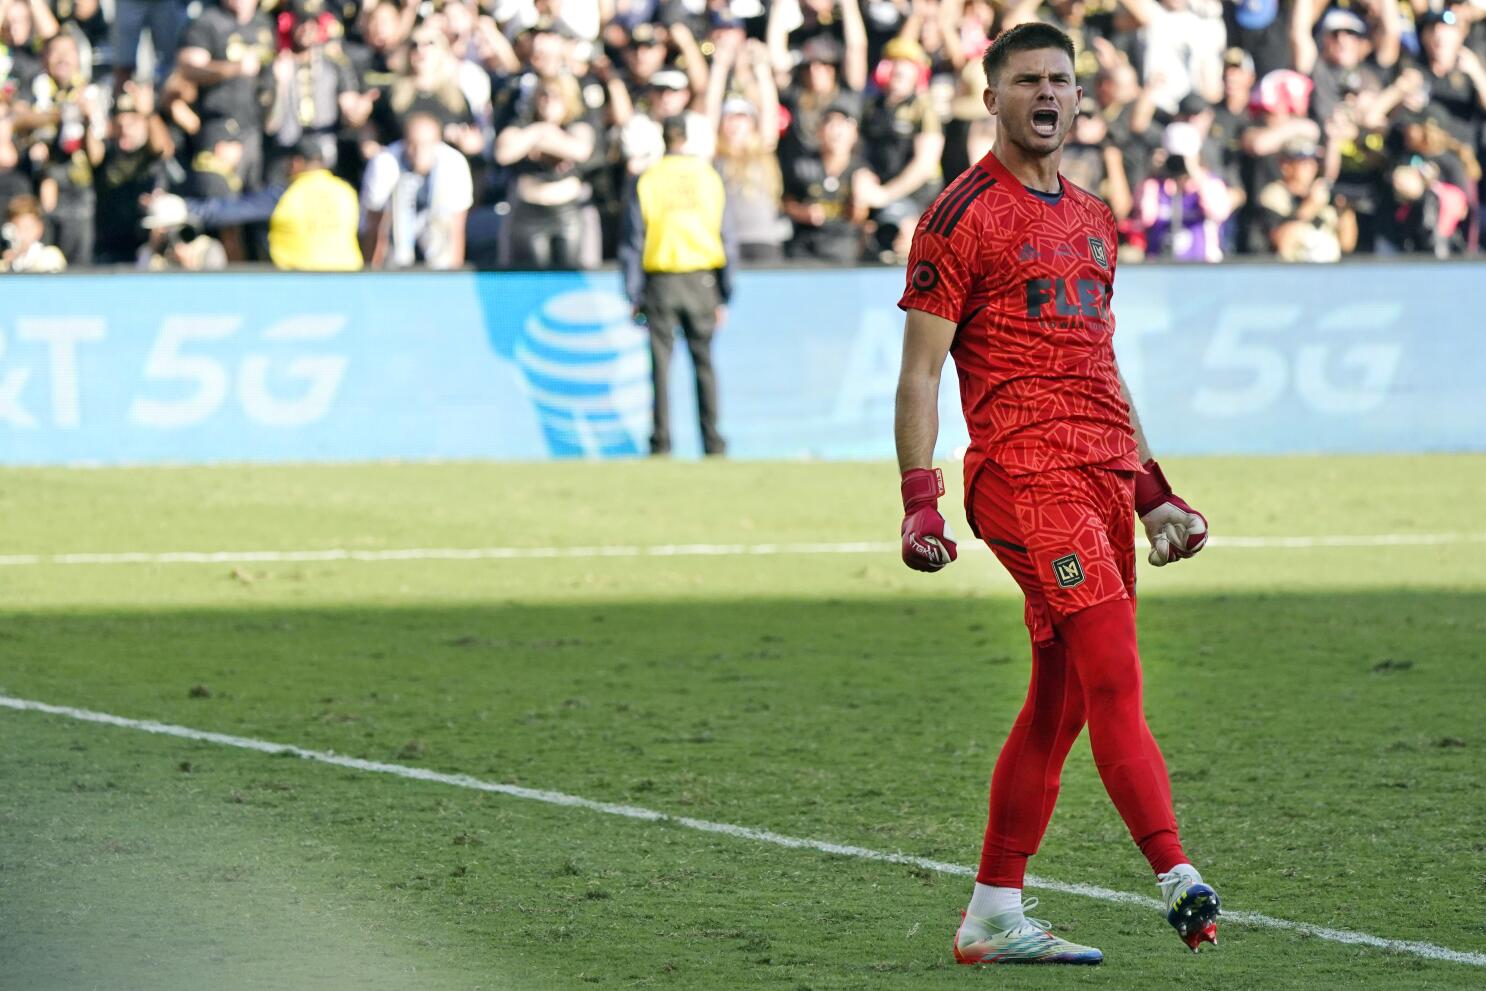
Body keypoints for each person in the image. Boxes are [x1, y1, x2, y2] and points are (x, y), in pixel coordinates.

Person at [892, 22, 1221, 965]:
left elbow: (1097, 361)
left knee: (1065, 697)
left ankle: (993, 912)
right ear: (990, 97)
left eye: (1061, 81)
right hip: (1023, 478)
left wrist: (1152, 488)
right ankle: (1176, 873)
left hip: (1100, 478)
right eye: (1027, 80)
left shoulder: (1091, 217)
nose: (1047, 94)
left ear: (1081, 98)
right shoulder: (958, 218)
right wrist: (921, 495)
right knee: (1113, 665)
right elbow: (920, 372)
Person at [619, 115, 733, 457]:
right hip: (702, 277)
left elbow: (633, 239)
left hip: (661, 279)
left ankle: (661, 442)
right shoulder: (708, 176)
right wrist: (724, 292)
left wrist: (633, 291)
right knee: (704, 364)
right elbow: (726, 234)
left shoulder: (648, 178)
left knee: (661, 367)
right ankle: (712, 442)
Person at [157, 136, 361, 269]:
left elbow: (229, 211)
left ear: (297, 162)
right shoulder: (346, 191)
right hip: (348, 278)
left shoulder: (287, 193)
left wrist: (184, 208)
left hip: (301, 280)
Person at [360, 110, 471, 268]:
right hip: (395, 251)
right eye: (413, 143)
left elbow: (457, 228)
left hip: (437, 248)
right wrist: (372, 271)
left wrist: (454, 274)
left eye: (426, 144)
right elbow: (374, 225)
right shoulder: (384, 164)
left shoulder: (454, 165)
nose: (419, 152)